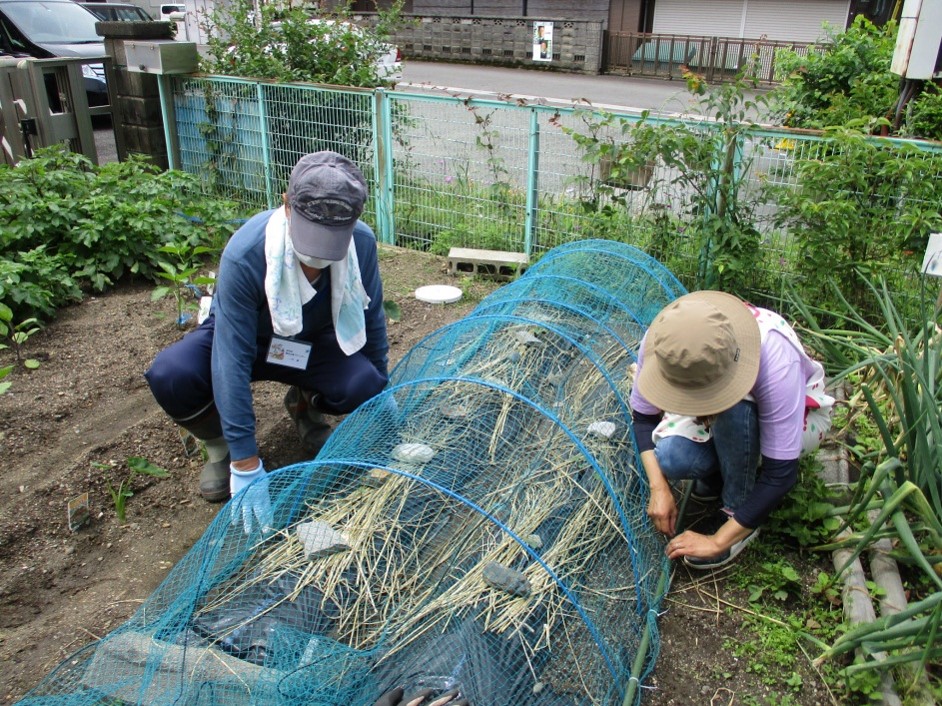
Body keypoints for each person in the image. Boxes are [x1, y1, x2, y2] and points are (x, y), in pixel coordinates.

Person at [145, 151, 389, 521]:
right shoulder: (247, 253)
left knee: (364, 384)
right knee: (173, 374)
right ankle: (219, 448)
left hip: (309, 344)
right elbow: (229, 358)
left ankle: (304, 405)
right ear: (287, 206)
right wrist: (245, 461)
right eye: (311, 239)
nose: (316, 258)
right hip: (249, 338)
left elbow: (372, 319)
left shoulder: (362, 244)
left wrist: (381, 392)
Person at [630, 290, 833, 570]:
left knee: (735, 408)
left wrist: (717, 542)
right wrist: (659, 487)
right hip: (718, 416)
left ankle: (740, 512)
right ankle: (718, 476)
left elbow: (780, 473)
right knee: (671, 457)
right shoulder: (665, 340)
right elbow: (643, 419)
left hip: (802, 419)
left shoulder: (774, 356)